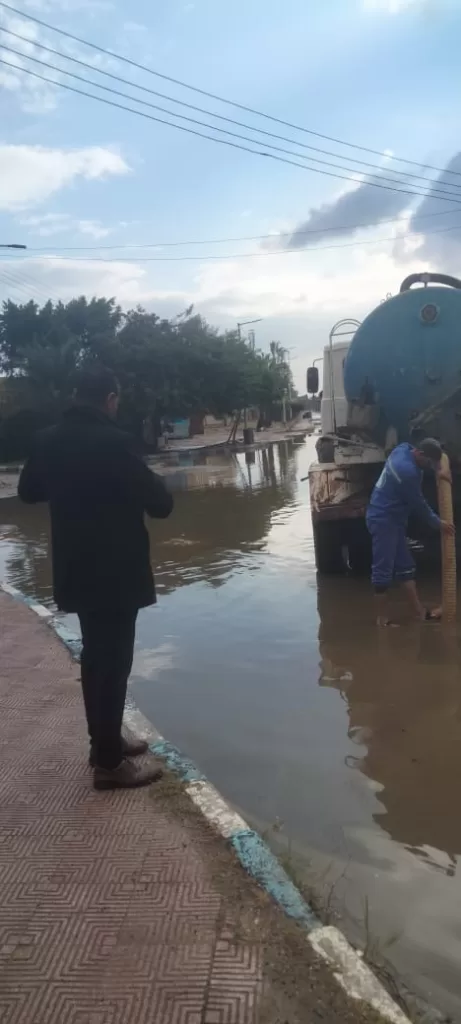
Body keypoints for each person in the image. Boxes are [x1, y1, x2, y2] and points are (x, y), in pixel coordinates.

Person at [18, 365, 173, 789]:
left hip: (75, 567)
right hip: (118, 572)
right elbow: (161, 505)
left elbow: (29, 492)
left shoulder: (48, 441)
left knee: (96, 658)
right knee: (115, 661)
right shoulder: (116, 444)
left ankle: (105, 742)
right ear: (109, 399)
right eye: (116, 400)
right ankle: (108, 764)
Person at [366, 438, 454, 626]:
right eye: (429, 463)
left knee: (406, 567)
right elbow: (419, 505)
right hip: (383, 519)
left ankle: (419, 613)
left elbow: (434, 457)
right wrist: (439, 523)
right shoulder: (407, 472)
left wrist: (440, 468)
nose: (431, 467)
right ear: (420, 455)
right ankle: (382, 621)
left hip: (394, 520)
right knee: (383, 570)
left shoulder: (404, 448)